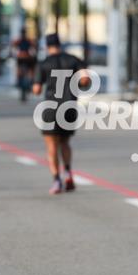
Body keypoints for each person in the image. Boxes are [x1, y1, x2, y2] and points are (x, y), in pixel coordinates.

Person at [33, 33, 89, 194]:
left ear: (47, 46)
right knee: (65, 142)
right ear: (60, 44)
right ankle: (68, 172)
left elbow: (36, 89)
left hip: (51, 108)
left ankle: (56, 180)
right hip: (69, 106)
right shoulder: (74, 60)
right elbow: (85, 80)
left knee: (51, 145)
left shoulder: (44, 63)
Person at [13, 27, 37, 102]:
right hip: (25, 58)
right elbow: (33, 47)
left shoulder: (20, 40)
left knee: (20, 70)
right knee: (30, 69)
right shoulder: (26, 40)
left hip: (22, 58)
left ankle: (20, 80)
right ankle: (31, 80)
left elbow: (14, 47)